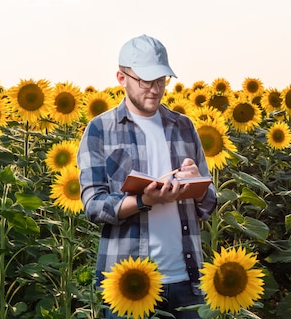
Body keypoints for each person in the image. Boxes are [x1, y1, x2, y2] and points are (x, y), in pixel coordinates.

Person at [77, 34, 217, 319]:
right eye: (145, 81)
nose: (154, 90)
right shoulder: (100, 129)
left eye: (161, 80)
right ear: (121, 77)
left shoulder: (184, 127)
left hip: (186, 281)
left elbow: (209, 204)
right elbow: (93, 205)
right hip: (129, 283)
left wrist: (198, 187)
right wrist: (143, 199)